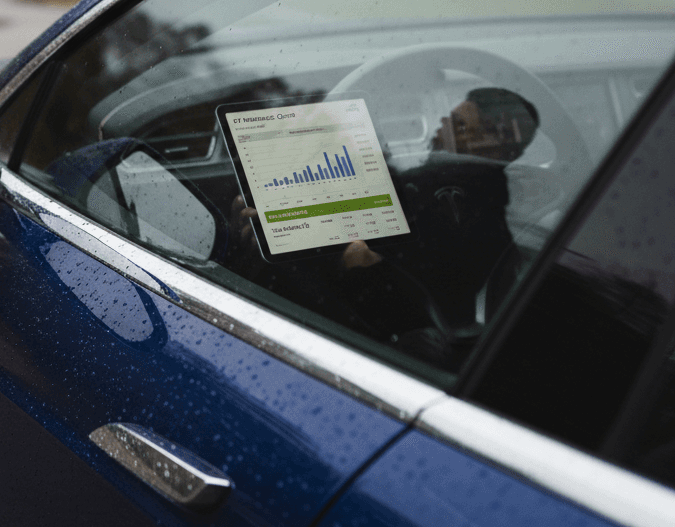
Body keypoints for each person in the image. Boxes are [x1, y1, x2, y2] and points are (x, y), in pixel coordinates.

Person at [230, 87, 540, 366]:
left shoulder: (447, 200)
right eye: (446, 119)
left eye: (457, 126)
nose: (438, 128)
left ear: (496, 143)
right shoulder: (492, 204)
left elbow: (414, 281)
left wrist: (360, 266)